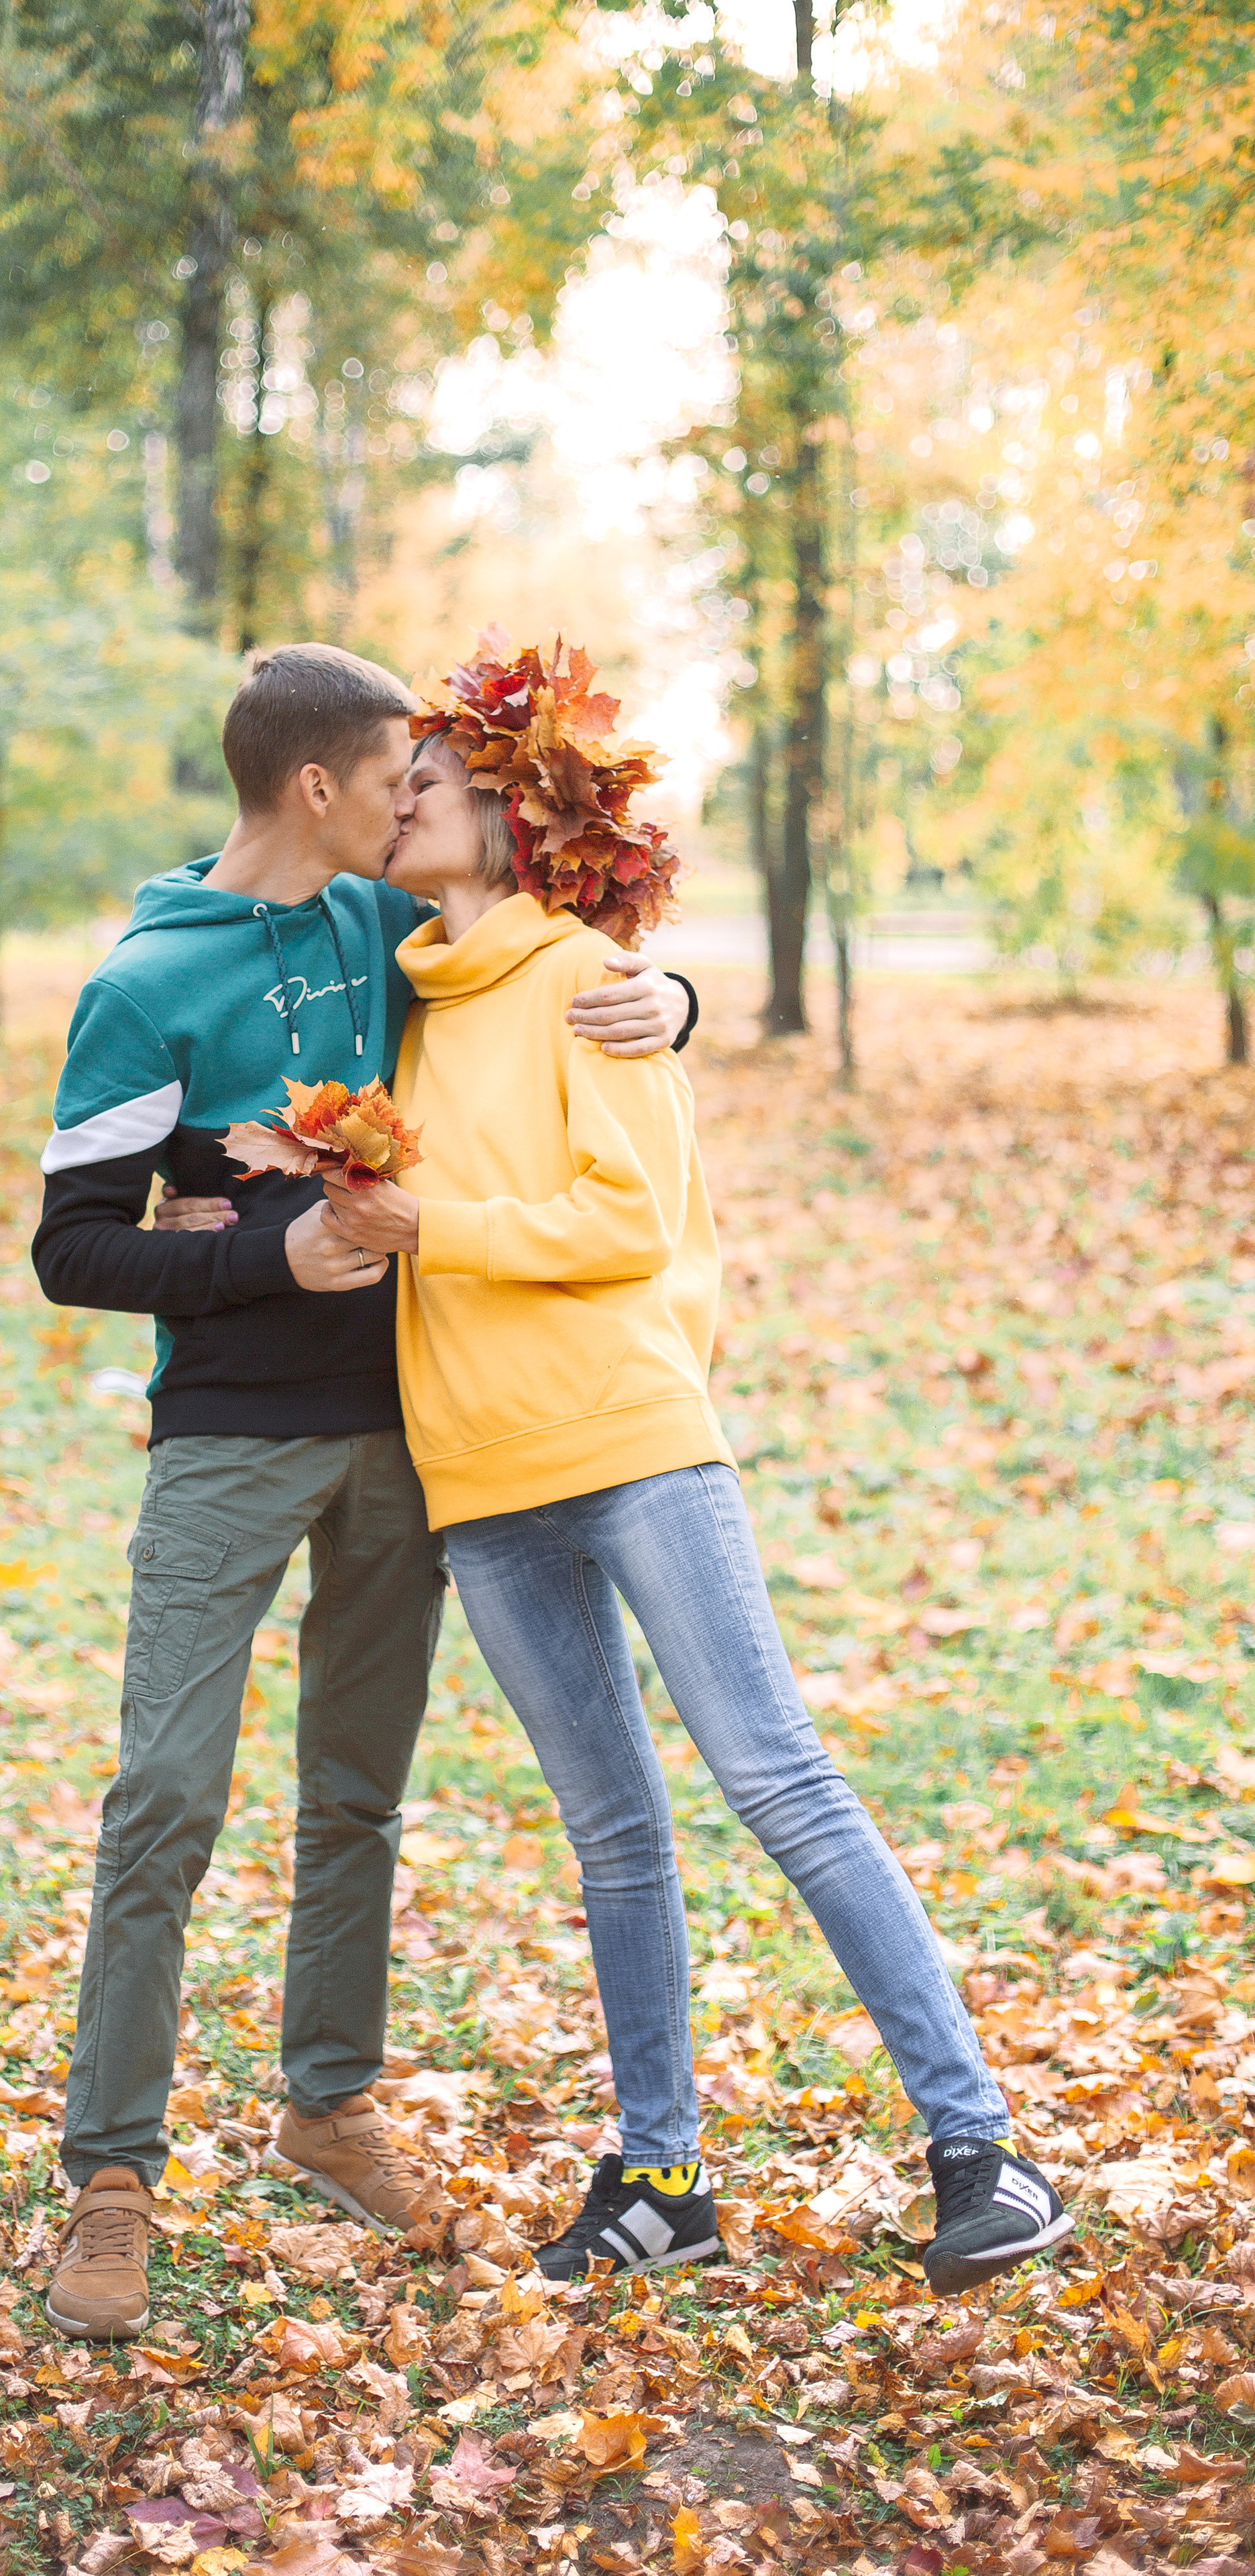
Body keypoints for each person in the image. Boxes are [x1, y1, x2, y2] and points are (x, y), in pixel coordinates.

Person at [317, 633, 1073, 2299]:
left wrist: (436, 1219)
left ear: (509, 819)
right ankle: (662, 2179)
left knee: (780, 1783)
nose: (397, 804)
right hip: (480, 1474)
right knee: (611, 1835)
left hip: (633, 1439)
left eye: (426, 784)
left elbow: (624, 1222)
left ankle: (981, 2146)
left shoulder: (586, 981)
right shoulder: (413, 997)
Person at [29, 641, 696, 2340]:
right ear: (311, 788)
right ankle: (111, 2173)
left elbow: (543, 956)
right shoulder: (141, 988)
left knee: (356, 1792)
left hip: (408, 1430)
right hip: (229, 1440)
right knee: (164, 1796)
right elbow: (71, 1246)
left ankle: (327, 2107)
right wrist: (271, 1252)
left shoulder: (376, 932)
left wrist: (674, 1001)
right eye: (393, 774)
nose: (416, 797)